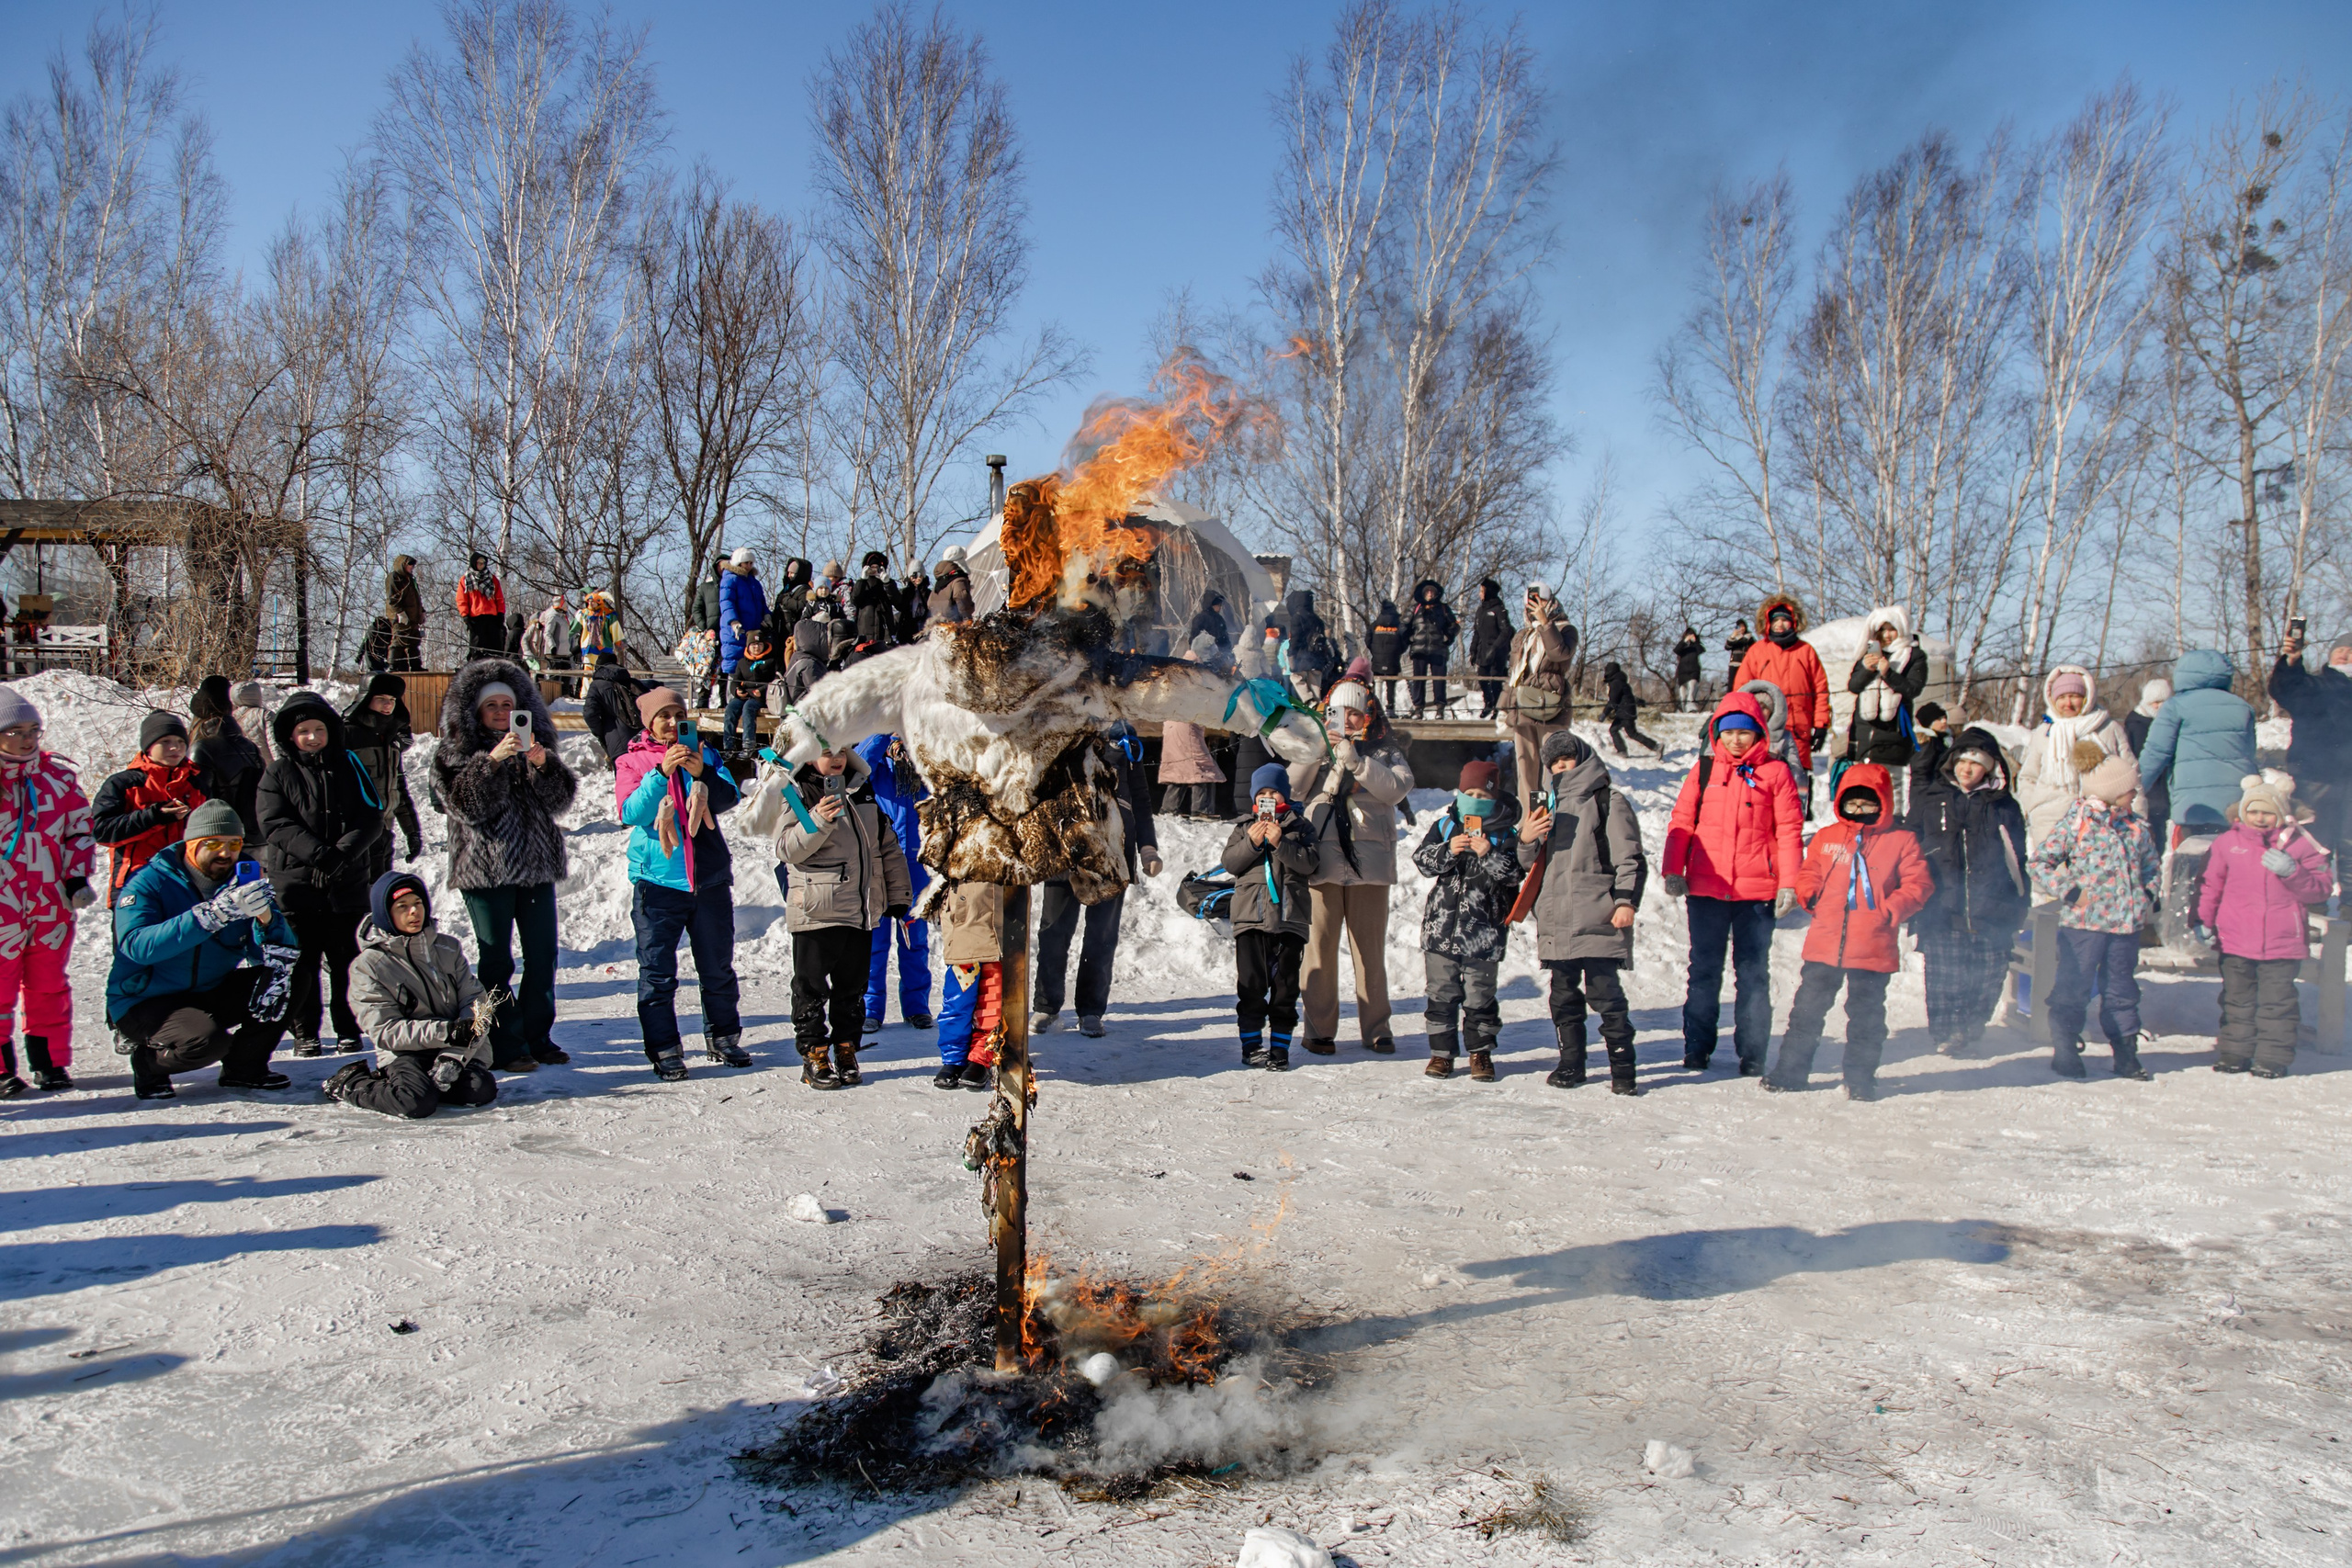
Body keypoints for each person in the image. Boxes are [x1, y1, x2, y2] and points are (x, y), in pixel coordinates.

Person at [433, 661, 578, 1071]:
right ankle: (505, 1042)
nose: (500, 711)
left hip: (535, 867)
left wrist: (544, 767)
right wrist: (490, 762)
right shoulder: (454, 753)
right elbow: (465, 806)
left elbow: (560, 802)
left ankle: (538, 1035)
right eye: (491, 705)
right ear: (474, 712)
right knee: (496, 960)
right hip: (485, 871)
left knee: (543, 955)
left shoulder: (537, 746)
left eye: (507, 704)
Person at [108, 799, 300, 1100]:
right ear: (191, 844)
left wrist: (266, 919)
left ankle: (244, 1068)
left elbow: (271, 955)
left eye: (234, 843)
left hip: (208, 990)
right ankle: (148, 1063)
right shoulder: (148, 882)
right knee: (206, 1044)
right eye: (213, 843)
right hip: (145, 999)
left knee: (287, 977)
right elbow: (137, 947)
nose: (226, 853)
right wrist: (211, 916)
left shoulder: (241, 883)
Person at [1765, 765, 1933, 1100]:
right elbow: (1809, 870)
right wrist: (1808, 891)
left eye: (1867, 804)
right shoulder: (1827, 837)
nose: (1858, 811)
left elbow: (1919, 884)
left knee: (1867, 1018)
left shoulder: (1901, 841)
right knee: (1806, 1012)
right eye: (1852, 803)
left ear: (1883, 803)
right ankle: (1790, 1072)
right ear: (1841, 802)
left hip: (1872, 945)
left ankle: (1860, 1078)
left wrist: (1890, 908)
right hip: (1825, 943)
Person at [1660, 693, 1803, 1077]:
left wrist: (1789, 882)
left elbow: (1789, 830)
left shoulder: (1776, 773)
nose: (1736, 740)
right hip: (1707, 889)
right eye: (1729, 733)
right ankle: (1696, 1048)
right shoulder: (1704, 771)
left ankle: (1753, 1051)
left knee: (1753, 972)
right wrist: (1674, 869)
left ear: (1759, 733)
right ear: (1717, 735)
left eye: (1744, 732)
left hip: (1756, 894)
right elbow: (1682, 822)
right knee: (1704, 971)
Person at [619, 687, 746, 1080]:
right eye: (664, 716)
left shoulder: (706, 754)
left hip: (707, 878)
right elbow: (630, 812)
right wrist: (661, 775)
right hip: (658, 881)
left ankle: (724, 1036)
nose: (673, 722)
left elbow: (729, 797)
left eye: (679, 714)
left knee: (717, 966)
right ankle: (664, 1047)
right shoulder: (631, 761)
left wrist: (700, 772)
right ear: (650, 723)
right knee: (657, 972)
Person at [1517, 730, 1647, 1092]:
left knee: (1606, 996)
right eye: (1554, 763)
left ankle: (1623, 1070)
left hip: (1598, 916)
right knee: (1562, 998)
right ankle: (1571, 1064)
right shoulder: (1545, 805)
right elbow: (1527, 862)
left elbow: (1630, 858)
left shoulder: (1607, 800)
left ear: (1583, 758)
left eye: (1566, 760)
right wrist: (1527, 837)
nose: (1560, 768)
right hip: (1557, 920)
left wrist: (1625, 902)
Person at [257, 690, 385, 1057]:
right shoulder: (278, 772)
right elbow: (275, 823)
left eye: (318, 729)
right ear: (290, 737)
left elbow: (371, 817)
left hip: (345, 881)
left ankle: (348, 1028)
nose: (312, 737)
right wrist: (317, 856)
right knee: (303, 963)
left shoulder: (349, 764)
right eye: (303, 732)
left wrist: (340, 857)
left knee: (346, 959)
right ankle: (305, 1031)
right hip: (297, 883)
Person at [1290, 673, 1412, 1056]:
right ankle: (1319, 1029)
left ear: (1369, 714)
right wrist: (1316, 749)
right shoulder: (1315, 744)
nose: (1348, 720)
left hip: (1370, 863)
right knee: (1319, 948)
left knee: (1370, 950)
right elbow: (1293, 789)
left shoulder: (1385, 750)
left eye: (1356, 713)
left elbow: (1396, 789)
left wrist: (1358, 764)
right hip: (1322, 861)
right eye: (1339, 712)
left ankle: (1377, 1028)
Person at [778, 742, 912, 1089]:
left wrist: (897, 896)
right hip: (816, 909)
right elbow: (787, 849)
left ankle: (846, 1049)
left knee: (852, 988)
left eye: (841, 750)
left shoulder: (860, 788)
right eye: (826, 752)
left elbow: (887, 846)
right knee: (810, 987)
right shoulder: (795, 791)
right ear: (808, 754)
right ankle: (814, 1053)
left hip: (860, 905)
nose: (836, 758)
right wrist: (818, 820)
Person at [2030, 752, 2160, 1080]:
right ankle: (2065, 1048)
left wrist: (2147, 895)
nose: (2135, 794)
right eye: (2131, 789)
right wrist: (2070, 891)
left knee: (2122, 989)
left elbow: (2151, 867)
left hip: (2126, 927)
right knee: (2073, 987)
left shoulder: (2136, 827)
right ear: (2113, 792)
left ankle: (2126, 1052)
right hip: (2084, 925)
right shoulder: (2078, 824)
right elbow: (2039, 863)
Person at [326, 872, 499, 1118]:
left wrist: (453, 1057)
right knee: (414, 1103)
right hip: (405, 1052)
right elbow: (385, 1031)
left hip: (453, 1046)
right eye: (402, 907)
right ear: (386, 914)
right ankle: (352, 1083)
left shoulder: (447, 948)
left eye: (418, 904)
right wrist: (447, 1032)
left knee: (479, 1090)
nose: (414, 912)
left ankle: (430, 1083)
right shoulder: (369, 965)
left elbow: (477, 1004)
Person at [1905, 726, 2030, 1057]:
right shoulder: (1933, 799)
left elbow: (2017, 858)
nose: (1966, 768)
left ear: (1990, 766)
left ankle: (1971, 1029)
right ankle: (1946, 1032)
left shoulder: (2003, 806)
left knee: (1987, 974)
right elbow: (1910, 845)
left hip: (1991, 906)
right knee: (1944, 975)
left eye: (1976, 762)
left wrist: (2018, 902)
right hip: (1942, 907)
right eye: (1961, 760)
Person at [2199, 772, 2334, 1077]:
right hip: (2236, 939)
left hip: (2282, 941)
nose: (2260, 818)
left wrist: (2292, 872)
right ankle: (2235, 1052)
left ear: (2281, 813)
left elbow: (2322, 888)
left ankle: (2273, 1057)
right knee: (2237, 1000)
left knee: (2277, 1003)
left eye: (2267, 812)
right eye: (2254, 812)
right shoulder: (2228, 843)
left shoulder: (2301, 846)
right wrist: (2204, 921)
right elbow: (2210, 885)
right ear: (2243, 812)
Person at [1033, 721, 1159, 1038]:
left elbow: (1141, 798)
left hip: (1113, 851)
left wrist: (1147, 847)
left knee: (1101, 936)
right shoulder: (1065, 726)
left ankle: (1090, 1010)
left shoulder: (1125, 736)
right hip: (1068, 847)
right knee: (1053, 931)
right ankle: (1046, 1006)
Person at [0, 687, 95, 1094]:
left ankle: (50, 1063)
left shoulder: (58, 777)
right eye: (16, 731)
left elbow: (79, 830)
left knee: (48, 983)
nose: (27, 739)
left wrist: (75, 877)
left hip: (49, 903)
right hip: (3, 905)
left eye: (34, 730)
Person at [1412, 759, 1520, 1080]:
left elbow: (1514, 875)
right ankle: (1441, 1054)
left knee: (1480, 996)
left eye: (1483, 795)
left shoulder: (1505, 832)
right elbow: (1422, 861)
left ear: (1495, 797)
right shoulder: (1446, 826)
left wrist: (1489, 854)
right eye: (1469, 792)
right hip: (1440, 929)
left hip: (1484, 934)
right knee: (1440, 994)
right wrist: (1448, 851)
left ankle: (1480, 1053)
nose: (1475, 799)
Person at [1222, 761, 1317, 1070]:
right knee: (1250, 985)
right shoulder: (1242, 828)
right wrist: (1252, 842)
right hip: (1251, 917)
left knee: (1286, 987)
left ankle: (1280, 1049)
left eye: (1273, 792)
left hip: (1291, 918)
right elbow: (1230, 863)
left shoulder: (1300, 827)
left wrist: (1280, 843)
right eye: (1262, 792)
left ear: (1285, 795)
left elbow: (1310, 864)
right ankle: (1251, 1046)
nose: (1268, 798)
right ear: (1254, 797)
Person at [855, 733, 933, 1034]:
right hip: (878, 867)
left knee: (915, 941)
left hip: (914, 868)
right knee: (874, 942)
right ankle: (871, 1008)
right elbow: (859, 762)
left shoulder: (920, 770)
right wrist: (884, 731)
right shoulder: (876, 770)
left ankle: (916, 1006)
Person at [2138, 649, 2256, 838]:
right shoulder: (2242, 707)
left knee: (2196, 861)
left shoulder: (2176, 706)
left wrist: (2134, 790)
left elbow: (2156, 753)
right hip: (2238, 806)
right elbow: (2249, 755)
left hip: (2194, 807)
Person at [93, 711, 206, 906]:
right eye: (165, 741)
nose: (175, 747)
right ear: (148, 746)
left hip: (187, 884)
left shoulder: (197, 784)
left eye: (181, 742)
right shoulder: (123, 783)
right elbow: (102, 831)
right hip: (134, 885)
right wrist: (154, 817)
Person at [2267, 632, 2352, 883]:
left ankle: (2349, 908)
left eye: (2351, 651)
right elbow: (2284, 689)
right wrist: (2291, 662)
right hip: (2315, 776)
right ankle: (2313, 898)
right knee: (2313, 839)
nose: (2345, 654)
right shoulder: (2313, 685)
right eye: (2340, 650)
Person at [2016, 666, 2133, 847]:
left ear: (2087, 697)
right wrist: (2032, 806)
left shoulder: (2108, 729)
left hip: (2099, 821)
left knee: (2095, 875)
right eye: (2061, 697)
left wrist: (2135, 813)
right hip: (2050, 820)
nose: (2067, 703)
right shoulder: (2043, 733)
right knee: (2054, 874)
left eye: (2074, 696)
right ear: (2052, 699)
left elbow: (2131, 776)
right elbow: (2028, 776)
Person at [1733, 597, 1830, 793]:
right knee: (1764, 777)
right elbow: (1741, 689)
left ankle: (1801, 816)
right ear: (1767, 622)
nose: (1779, 624)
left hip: (1799, 728)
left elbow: (1821, 689)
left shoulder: (1806, 651)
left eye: (1784, 620)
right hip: (1764, 728)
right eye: (1775, 620)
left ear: (1794, 621)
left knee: (1798, 781)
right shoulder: (1757, 651)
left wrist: (1821, 724)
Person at [1501, 581, 1577, 807]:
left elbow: (1559, 654)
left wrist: (1546, 623)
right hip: (1522, 705)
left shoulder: (1565, 629)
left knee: (1551, 766)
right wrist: (1504, 708)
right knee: (1526, 768)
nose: (1536, 606)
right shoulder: (1523, 635)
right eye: (1531, 602)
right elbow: (1514, 673)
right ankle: (1529, 820)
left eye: (1541, 600)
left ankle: (1553, 814)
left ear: (1550, 601)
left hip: (1551, 706)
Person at [343, 675, 423, 883]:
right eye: (381, 698)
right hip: (354, 835)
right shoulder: (347, 735)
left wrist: (412, 832)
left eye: (393, 700)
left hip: (384, 832)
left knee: (381, 897)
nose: (388, 705)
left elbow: (398, 788)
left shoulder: (390, 739)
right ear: (365, 698)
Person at [932, 883, 1004, 1089]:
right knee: (958, 999)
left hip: (999, 921)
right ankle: (953, 1058)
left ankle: (981, 1056)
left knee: (993, 1001)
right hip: (964, 920)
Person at [1845, 607, 1927, 767]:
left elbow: (1913, 689)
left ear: (1901, 629)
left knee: (1890, 786)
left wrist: (1888, 673)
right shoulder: (1868, 653)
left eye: (1892, 629)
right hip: (1864, 732)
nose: (1886, 635)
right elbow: (1853, 686)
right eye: (1882, 630)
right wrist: (1868, 670)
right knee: (1864, 786)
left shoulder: (1914, 655)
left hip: (1893, 734)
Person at [190, 674, 266, 840]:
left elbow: (197, 803)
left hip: (217, 839)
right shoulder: (250, 747)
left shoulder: (201, 749)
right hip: (252, 837)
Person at [1157, 647, 1227, 818]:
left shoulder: (1176, 676)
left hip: (1172, 727)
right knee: (1202, 768)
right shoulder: (1195, 677)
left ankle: (1169, 809)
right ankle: (1201, 810)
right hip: (1186, 727)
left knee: (1179, 768)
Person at [1405, 580, 1460, 717]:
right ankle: (1418, 708)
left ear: (1436, 593)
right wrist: (1409, 639)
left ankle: (1440, 708)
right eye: (1427, 591)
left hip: (1438, 649)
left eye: (1432, 591)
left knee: (1439, 679)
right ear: (1423, 593)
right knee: (1418, 680)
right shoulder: (1415, 608)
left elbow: (1454, 625)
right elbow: (1403, 625)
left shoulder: (1443, 608)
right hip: (1419, 650)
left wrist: (1448, 637)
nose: (1430, 593)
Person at [2123, 678, 2172, 833]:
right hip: (2148, 786)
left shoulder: (2169, 723)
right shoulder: (2137, 724)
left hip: (2165, 786)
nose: (2158, 706)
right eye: (2154, 702)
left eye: (2162, 701)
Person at [582, 653, 643, 766]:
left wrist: (601, 732)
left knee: (626, 782)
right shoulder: (635, 683)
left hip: (618, 745)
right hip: (642, 742)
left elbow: (590, 714)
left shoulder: (596, 685)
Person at [724, 627, 778, 754]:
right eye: (753, 645)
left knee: (748, 708)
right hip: (744, 695)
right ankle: (728, 746)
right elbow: (735, 681)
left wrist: (762, 690)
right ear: (748, 646)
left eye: (759, 644)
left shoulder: (771, 661)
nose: (756, 647)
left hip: (761, 697)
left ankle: (748, 746)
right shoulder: (742, 662)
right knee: (731, 708)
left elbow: (777, 680)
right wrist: (736, 691)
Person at [1468, 580, 1513, 718]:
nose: (1480, 594)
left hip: (1497, 651)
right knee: (1482, 677)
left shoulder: (1499, 609)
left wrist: (1494, 648)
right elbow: (1477, 631)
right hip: (1482, 650)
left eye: (1482, 591)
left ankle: (1498, 709)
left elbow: (1506, 631)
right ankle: (1489, 702)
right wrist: (1473, 650)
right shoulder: (1480, 610)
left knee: (1495, 681)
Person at [849, 550, 899, 660]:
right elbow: (854, 600)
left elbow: (899, 603)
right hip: (865, 633)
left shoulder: (887, 584)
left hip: (885, 634)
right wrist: (862, 580)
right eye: (872, 567)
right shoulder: (862, 585)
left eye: (877, 568)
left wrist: (887, 583)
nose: (874, 571)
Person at [457, 551, 506, 660]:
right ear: (474, 563)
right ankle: (477, 667)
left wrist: (501, 613)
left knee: (494, 646)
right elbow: (462, 600)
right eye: (479, 563)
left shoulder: (492, 579)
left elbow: (499, 599)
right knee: (477, 646)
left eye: (483, 563)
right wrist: (465, 615)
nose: (481, 565)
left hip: (492, 617)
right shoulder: (465, 580)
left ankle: (495, 666)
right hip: (475, 617)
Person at [1600, 661, 1658, 756]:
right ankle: (1623, 750)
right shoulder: (1620, 681)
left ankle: (1655, 747)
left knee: (1630, 733)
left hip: (1625, 713)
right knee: (1617, 730)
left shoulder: (1616, 683)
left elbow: (1613, 701)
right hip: (1626, 711)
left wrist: (1604, 714)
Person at [386, 554, 425, 671]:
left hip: (413, 617)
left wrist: (422, 612)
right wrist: (400, 613)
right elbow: (392, 598)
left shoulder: (411, 579)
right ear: (403, 565)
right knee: (399, 640)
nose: (412, 568)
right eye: (410, 565)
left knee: (414, 642)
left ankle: (416, 666)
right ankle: (392, 666)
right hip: (401, 617)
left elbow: (417, 598)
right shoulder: (394, 577)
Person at [1366, 599, 1405, 714]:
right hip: (1393, 660)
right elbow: (1404, 641)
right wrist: (1397, 652)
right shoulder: (1399, 626)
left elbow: (1367, 640)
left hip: (1377, 660)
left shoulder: (1375, 624)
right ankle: (1390, 708)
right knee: (1391, 685)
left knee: (1374, 683)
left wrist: (1374, 651)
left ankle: (1373, 708)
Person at [525, 592, 579, 673]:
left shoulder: (563, 616)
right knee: (555, 676)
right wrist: (552, 646)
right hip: (555, 653)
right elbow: (547, 633)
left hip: (564, 652)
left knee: (567, 676)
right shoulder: (552, 616)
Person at [768, 557, 815, 642]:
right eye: (788, 572)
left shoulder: (804, 589)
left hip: (792, 633)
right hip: (781, 630)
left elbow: (802, 606)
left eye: (792, 573)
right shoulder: (787, 588)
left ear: (799, 574)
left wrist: (785, 600)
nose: (789, 575)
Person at [928, 546, 976, 627]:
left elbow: (929, 603)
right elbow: (962, 597)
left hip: (938, 624)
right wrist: (967, 618)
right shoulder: (958, 579)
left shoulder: (939, 581)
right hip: (955, 623)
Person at [574, 590, 624, 666]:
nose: (590, 603)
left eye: (593, 601)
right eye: (589, 601)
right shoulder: (583, 614)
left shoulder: (609, 615)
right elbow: (574, 628)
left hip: (604, 648)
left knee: (603, 671)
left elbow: (616, 630)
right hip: (588, 648)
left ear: (599, 602)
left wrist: (619, 644)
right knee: (588, 671)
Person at [1910, 702, 1952, 784]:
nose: (1944, 721)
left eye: (1945, 717)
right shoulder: (1928, 742)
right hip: (1928, 792)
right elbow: (1920, 772)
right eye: (1939, 719)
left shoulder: (1940, 741)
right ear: (1928, 723)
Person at [1672, 626, 1704, 712]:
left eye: (1691, 634)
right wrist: (1685, 641)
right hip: (1682, 671)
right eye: (1688, 634)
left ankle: (1691, 707)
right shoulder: (1682, 646)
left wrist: (1696, 641)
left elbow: (1701, 650)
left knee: (1692, 687)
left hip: (1694, 670)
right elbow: (1676, 650)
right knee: (1683, 694)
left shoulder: (1696, 646)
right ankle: (1683, 709)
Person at [1724, 618, 1756, 689]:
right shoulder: (1734, 638)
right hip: (1734, 663)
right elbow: (1727, 647)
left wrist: (1733, 641)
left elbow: (1744, 642)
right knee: (1731, 683)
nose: (1741, 629)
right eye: (1739, 627)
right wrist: (1732, 637)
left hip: (1744, 663)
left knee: (1744, 683)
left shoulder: (1749, 638)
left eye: (1743, 626)